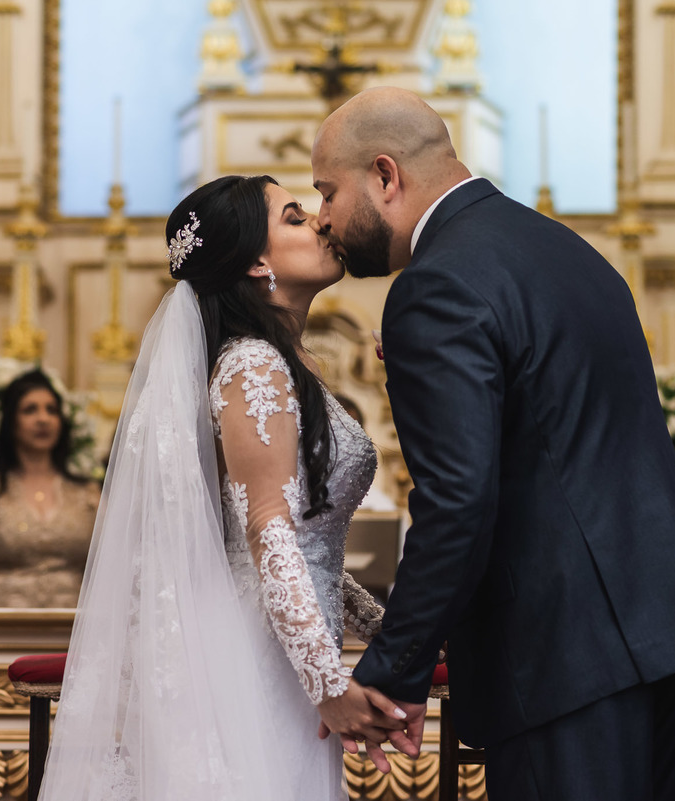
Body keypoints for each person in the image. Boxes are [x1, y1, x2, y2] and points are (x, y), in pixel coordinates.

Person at [310, 87, 675, 801]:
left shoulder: (434, 287)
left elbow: (458, 504)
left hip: (567, 658)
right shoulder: (565, 249)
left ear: (385, 177)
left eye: (327, 191)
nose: (323, 217)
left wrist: (394, 668)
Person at [37, 175, 409, 801]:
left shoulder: (284, 363)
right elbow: (268, 530)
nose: (321, 221)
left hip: (282, 641)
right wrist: (327, 682)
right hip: (254, 654)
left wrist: (385, 625)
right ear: (257, 262)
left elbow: (301, 540)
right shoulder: (253, 365)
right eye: (294, 216)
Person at [0, 370, 101, 608]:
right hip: (2, 630)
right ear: (11, 422)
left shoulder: (87, 493)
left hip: (75, 631)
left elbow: (110, 568)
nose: (43, 419)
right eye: (30, 410)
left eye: (51, 410)